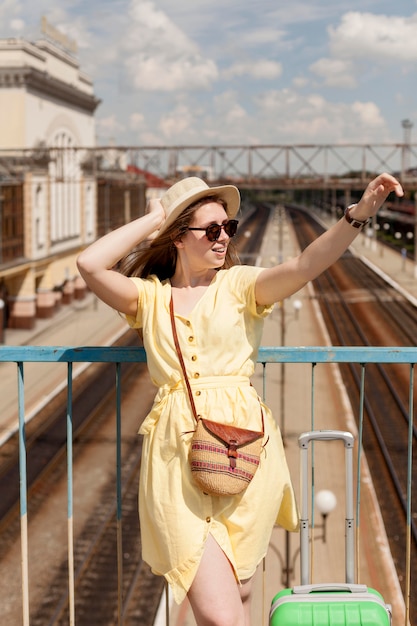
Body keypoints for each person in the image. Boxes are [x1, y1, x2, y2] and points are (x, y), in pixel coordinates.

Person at [77, 172, 403, 626]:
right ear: (177, 238)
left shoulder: (240, 286)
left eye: (228, 227)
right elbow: (90, 265)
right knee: (222, 614)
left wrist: (358, 216)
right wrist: (154, 217)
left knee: (242, 596)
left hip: (246, 454)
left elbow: (305, 265)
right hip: (176, 461)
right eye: (211, 229)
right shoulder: (149, 299)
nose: (223, 237)